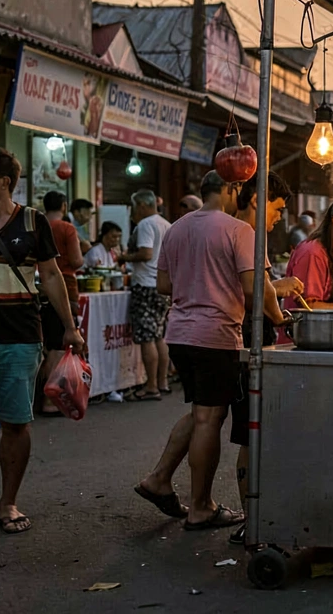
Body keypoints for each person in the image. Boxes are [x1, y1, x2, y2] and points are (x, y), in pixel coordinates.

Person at [135, 171, 285, 531]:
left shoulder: (177, 228)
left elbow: (164, 285)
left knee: (201, 412)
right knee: (208, 418)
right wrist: (279, 316)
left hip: (180, 335)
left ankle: (158, 479)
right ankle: (201, 506)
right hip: (214, 335)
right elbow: (254, 290)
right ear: (232, 188)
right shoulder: (238, 230)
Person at [0, 149, 85, 534]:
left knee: (15, 424)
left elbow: (50, 275)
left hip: (19, 337)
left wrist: (69, 325)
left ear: (3, 182)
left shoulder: (32, 222)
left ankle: (7, 503)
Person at [229, 172, 303, 545]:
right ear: (258, 200)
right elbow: (255, 291)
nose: (280, 216)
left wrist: (277, 290)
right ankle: (251, 518)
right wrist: (280, 316)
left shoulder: (232, 233)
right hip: (245, 341)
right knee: (250, 432)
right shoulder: (245, 234)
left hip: (239, 338)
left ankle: (253, 514)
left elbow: (261, 286)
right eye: (278, 207)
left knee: (246, 429)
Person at [121, 190, 172, 402]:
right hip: (162, 286)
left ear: (142, 205)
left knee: (147, 338)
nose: (133, 211)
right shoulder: (166, 224)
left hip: (145, 285)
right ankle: (162, 381)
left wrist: (125, 257)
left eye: (134, 206)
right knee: (160, 336)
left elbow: (146, 253)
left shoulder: (145, 225)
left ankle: (151, 386)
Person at [36, 191, 83, 417]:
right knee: (57, 345)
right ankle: (49, 399)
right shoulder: (66, 228)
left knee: (42, 344)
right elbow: (76, 261)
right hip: (63, 286)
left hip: (36, 287)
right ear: (64, 206)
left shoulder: (35, 224)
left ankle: (36, 396)